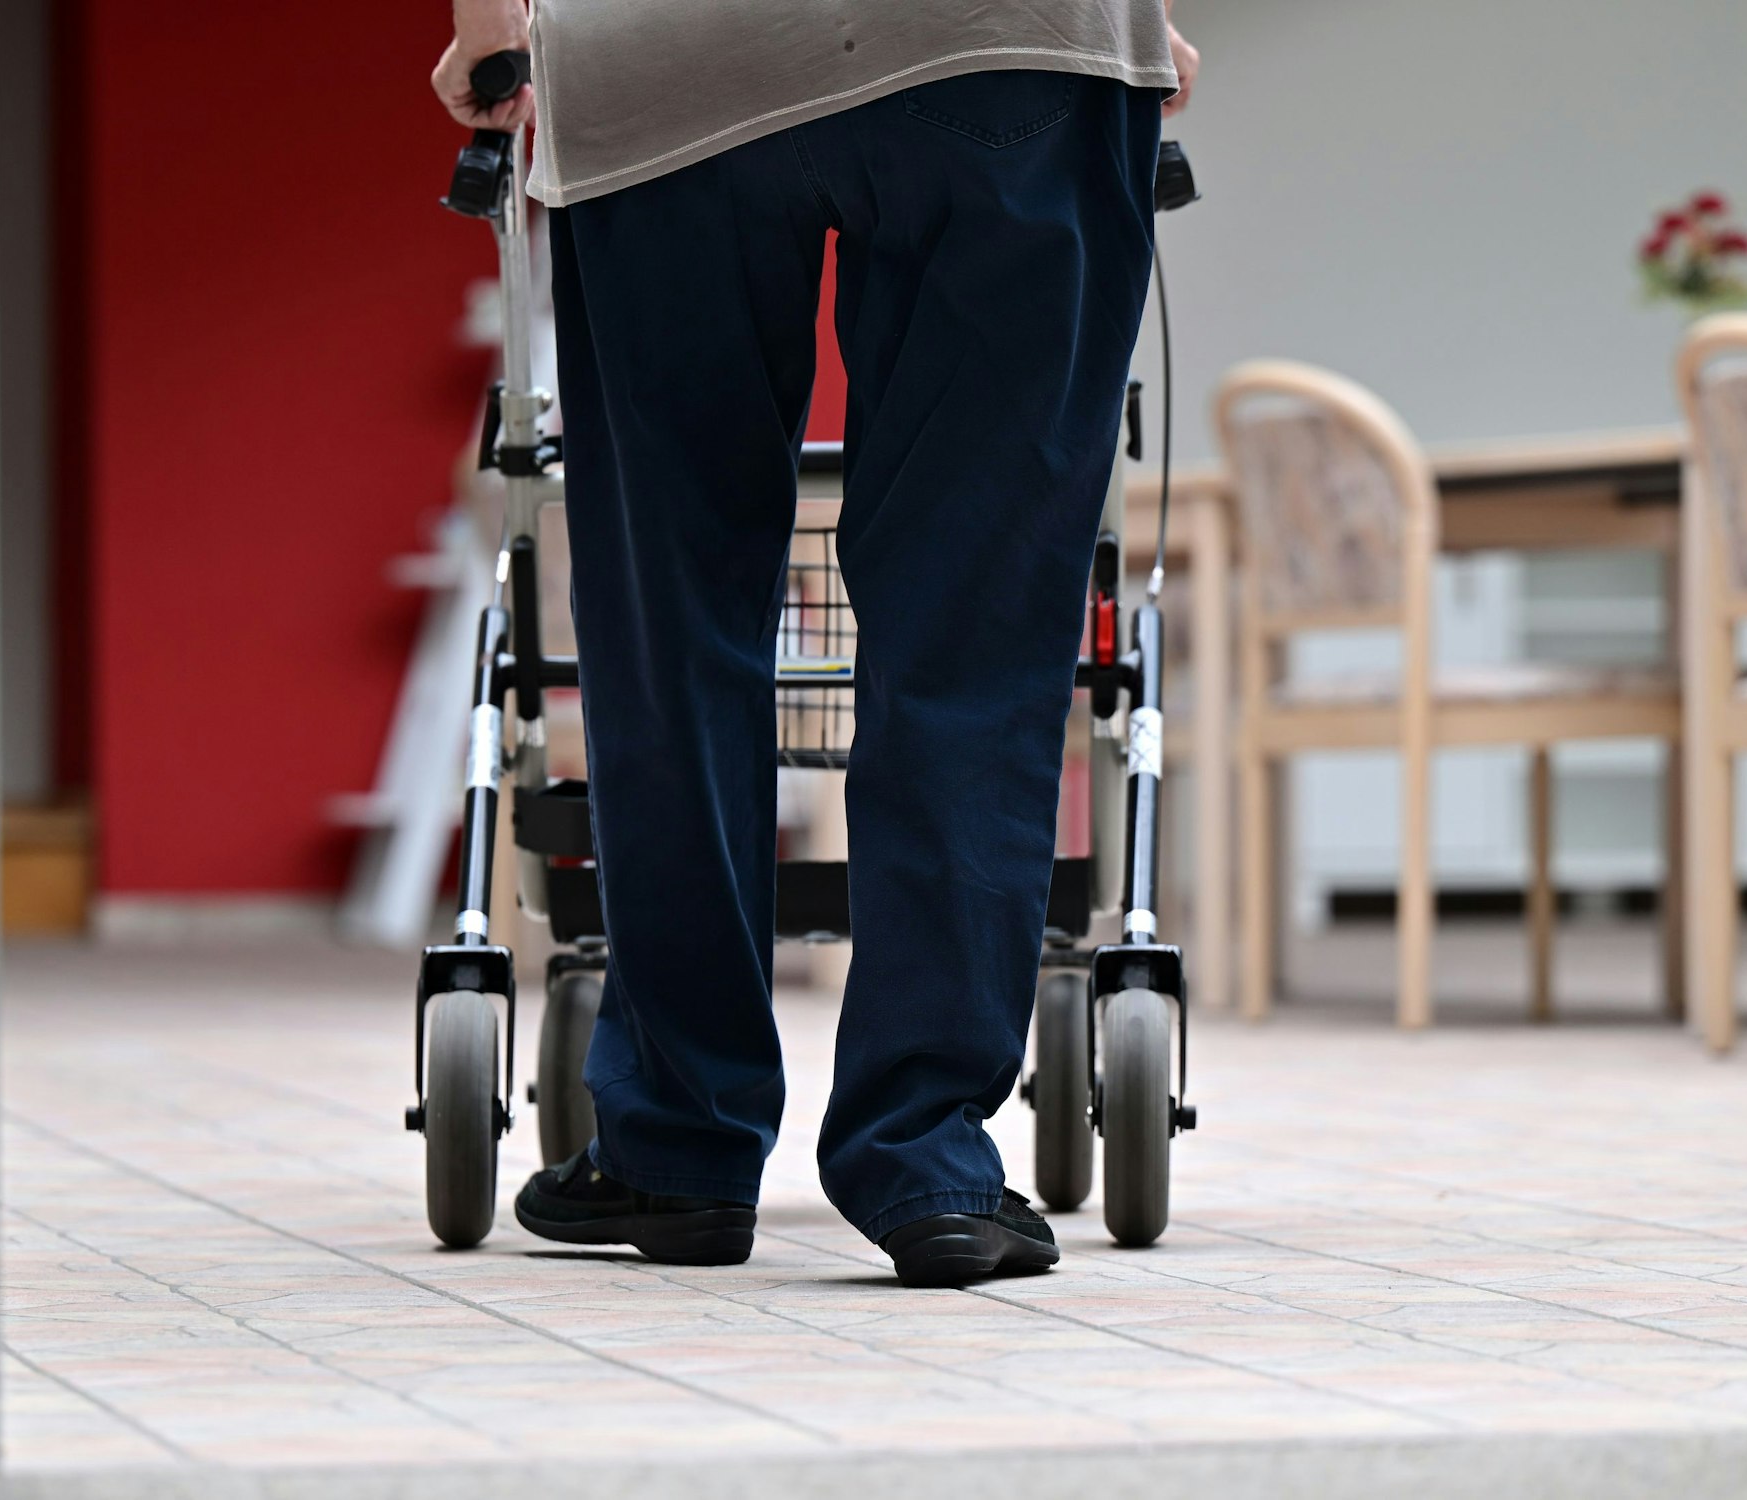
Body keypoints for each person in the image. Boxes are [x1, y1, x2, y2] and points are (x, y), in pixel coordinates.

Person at [432, 0, 1198, 1287]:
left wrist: (486, 26)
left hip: (666, 67)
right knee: (977, 620)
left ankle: (679, 1143)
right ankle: (929, 1159)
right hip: (1011, 40)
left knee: (675, 617)